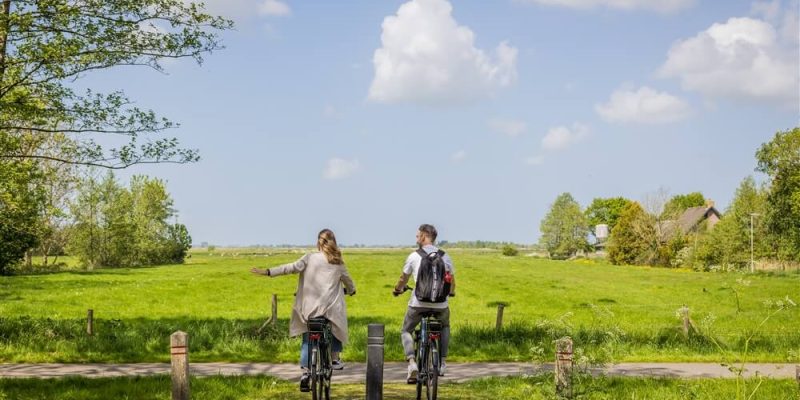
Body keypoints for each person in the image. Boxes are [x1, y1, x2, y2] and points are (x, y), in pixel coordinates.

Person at [251, 229, 356, 392]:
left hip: (310, 310)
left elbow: (290, 268)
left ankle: (306, 373)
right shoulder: (338, 262)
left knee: (308, 339)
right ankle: (335, 359)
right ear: (333, 242)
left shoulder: (309, 258)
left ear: (318, 242)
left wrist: (268, 272)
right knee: (335, 326)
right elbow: (349, 282)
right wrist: (351, 290)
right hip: (329, 309)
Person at [393, 223, 455, 383]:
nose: (416, 238)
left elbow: (403, 278)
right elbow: (452, 281)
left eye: (417, 235)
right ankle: (442, 362)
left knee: (406, 330)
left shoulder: (414, 256)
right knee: (445, 326)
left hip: (418, 303)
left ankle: (412, 363)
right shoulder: (445, 256)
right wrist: (451, 292)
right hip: (441, 304)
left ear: (424, 236)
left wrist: (398, 289)